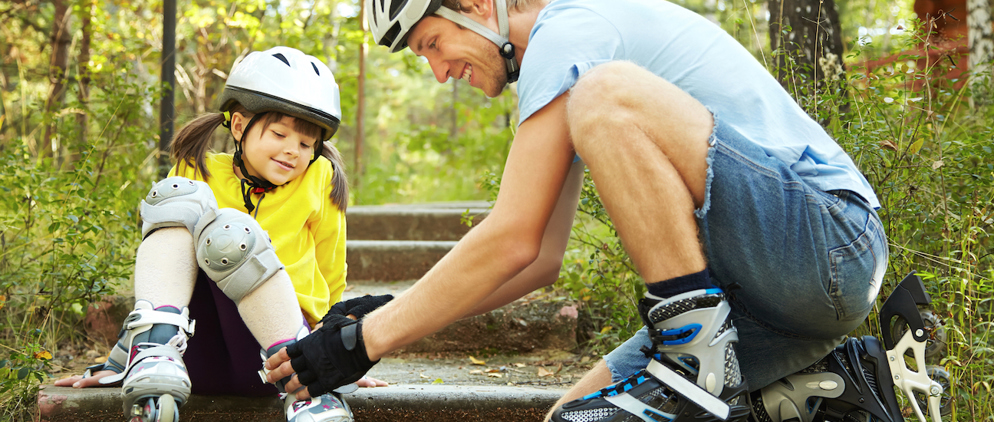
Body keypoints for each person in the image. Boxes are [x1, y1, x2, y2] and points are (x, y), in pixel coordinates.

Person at [263, 1, 889, 421]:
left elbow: (508, 236)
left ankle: (693, 353)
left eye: (432, 43)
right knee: (573, 417)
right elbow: (534, 255)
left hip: (829, 241)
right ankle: (836, 391)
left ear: (478, 5)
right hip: (763, 300)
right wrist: (394, 313)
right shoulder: (562, 63)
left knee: (604, 94)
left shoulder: (568, 30)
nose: (436, 71)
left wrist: (367, 342)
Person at [55, 46, 388, 422]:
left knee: (235, 233)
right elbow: (165, 265)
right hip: (194, 354)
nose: (293, 151)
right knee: (179, 200)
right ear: (240, 125)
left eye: (306, 144)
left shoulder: (318, 179)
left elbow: (331, 270)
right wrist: (120, 357)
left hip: (280, 360)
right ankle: (152, 351)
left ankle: (305, 396)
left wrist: (331, 357)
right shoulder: (196, 170)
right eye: (279, 134)